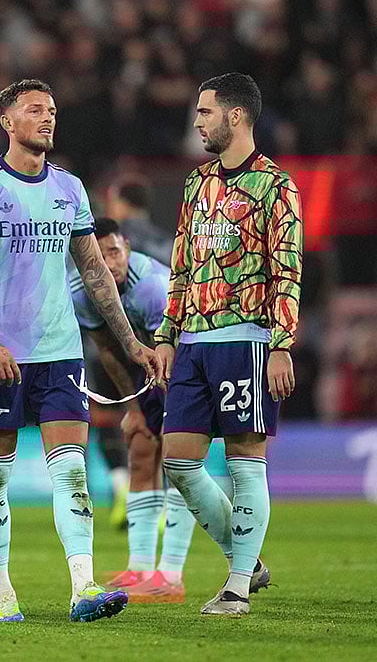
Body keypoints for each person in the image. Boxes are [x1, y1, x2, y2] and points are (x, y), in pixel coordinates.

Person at [0, 79, 161, 623]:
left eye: (52, 110)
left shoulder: (70, 188)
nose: (47, 118)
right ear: (7, 122)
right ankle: (1, 593)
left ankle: (83, 587)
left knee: (73, 473)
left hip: (60, 354)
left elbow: (95, 272)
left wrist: (131, 342)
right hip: (0, 359)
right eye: (35, 110)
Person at [154, 72, 302, 616]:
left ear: (235, 116)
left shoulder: (275, 185)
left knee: (244, 458)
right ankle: (249, 560)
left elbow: (287, 266)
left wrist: (281, 343)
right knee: (178, 460)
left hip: (248, 339)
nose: (197, 122)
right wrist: (166, 335)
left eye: (205, 112)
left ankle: (237, 587)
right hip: (193, 340)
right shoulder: (196, 183)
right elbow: (181, 263)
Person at [69, 217, 196, 601]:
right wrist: (135, 408)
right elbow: (108, 351)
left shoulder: (153, 288)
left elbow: (170, 349)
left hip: (183, 360)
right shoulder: (82, 291)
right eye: (100, 256)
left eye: (114, 252)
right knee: (141, 447)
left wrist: (174, 409)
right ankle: (140, 566)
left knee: (179, 459)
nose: (109, 263)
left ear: (126, 246)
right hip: (147, 369)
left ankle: (170, 574)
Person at [106, 178, 174, 266]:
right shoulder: (167, 240)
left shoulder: (116, 240)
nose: (109, 207)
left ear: (124, 203)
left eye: (113, 201)